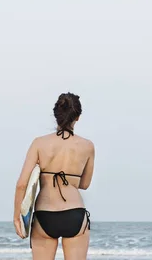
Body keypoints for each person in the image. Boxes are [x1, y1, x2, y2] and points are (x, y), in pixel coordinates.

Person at [13, 92, 95, 260]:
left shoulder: (39, 143)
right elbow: (85, 184)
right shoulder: (87, 146)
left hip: (45, 215)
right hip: (75, 214)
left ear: (56, 115)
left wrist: (17, 217)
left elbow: (22, 184)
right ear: (77, 117)